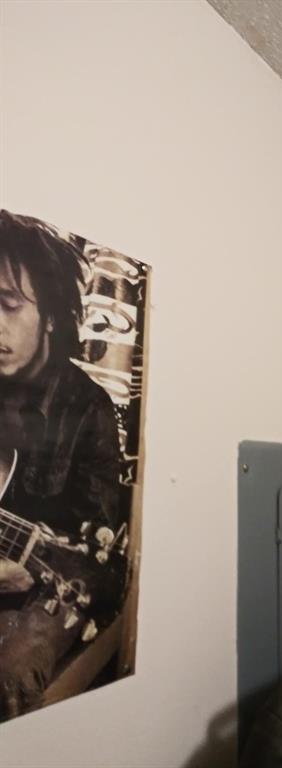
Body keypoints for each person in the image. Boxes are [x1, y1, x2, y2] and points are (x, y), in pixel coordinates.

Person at [0, 210, 121, 720]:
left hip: (51, 587)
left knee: (7, 678)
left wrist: (23, 575)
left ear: (50, 313)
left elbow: (98, 564)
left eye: (8, 305)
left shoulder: (89, 409)